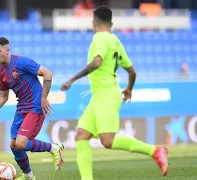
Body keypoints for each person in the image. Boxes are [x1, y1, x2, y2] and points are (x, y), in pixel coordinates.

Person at [60, 6, 168, 180]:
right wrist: (129, 89)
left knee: (107, 141)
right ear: (111, 23)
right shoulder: (115, 41)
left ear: (94, 23)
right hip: (100, 96)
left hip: (106, 95)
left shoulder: (99, 38)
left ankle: (155, 151)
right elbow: (132, 72)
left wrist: (72, 79)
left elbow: (96, 62)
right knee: (82, 135)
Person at [0, 37, 64, 180]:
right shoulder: (1, 72)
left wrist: (43, 98)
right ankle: (29, 176)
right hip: (21, 108)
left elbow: (48, 73)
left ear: (7, 50)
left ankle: (54, 148)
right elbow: (3, 96)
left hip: (35, 106)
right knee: (14, 145)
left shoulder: (21, 62)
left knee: (21, 143)